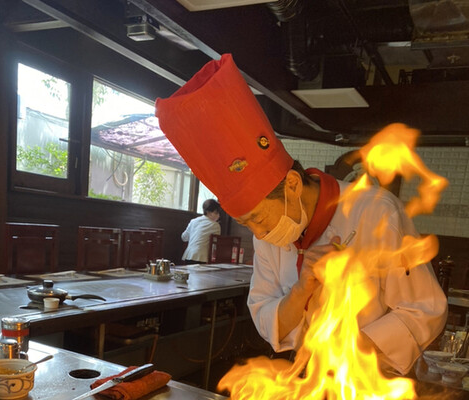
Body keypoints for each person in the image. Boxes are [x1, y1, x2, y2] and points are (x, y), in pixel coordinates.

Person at [156, 54, 447, 376]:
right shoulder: (269, 237)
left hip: (369, 380)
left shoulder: (376, 212)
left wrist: (348, 354)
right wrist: (301, 290)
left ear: (293, 185)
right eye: (244, 223)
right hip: (304, 376)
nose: (259, 234)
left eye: (258, 218)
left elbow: (424, 310)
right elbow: (265, 315)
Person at [181, 199, 221, 264]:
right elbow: (215, 245)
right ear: (208, 212)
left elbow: (184, 237)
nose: (218, 216)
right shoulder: (215, 225)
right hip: (202, 258)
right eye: (216, 213)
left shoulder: (193, 221)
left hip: (188, 256)